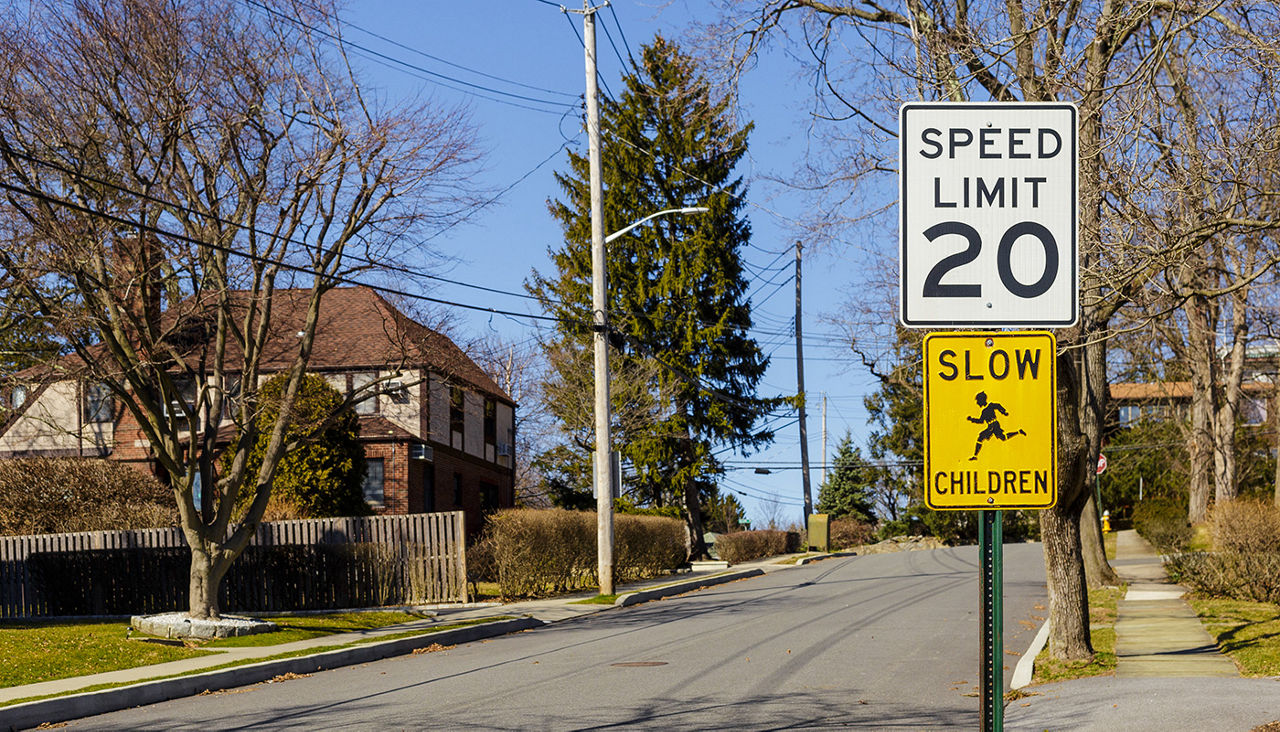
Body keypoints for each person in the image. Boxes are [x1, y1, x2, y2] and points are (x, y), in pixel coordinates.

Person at [967, 391, 1025, 460]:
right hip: (991, 426)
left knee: (981, 437)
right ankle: (1018, 431)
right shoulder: (984, 411)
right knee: (1003, 437)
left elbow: (998, 405)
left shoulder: (990, 405)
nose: (977, 403)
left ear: (981, 400)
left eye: (978, 401)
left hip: (994, 425)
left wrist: (1004, 411)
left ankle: (975, 456)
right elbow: (981, 421)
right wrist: (972, 419)